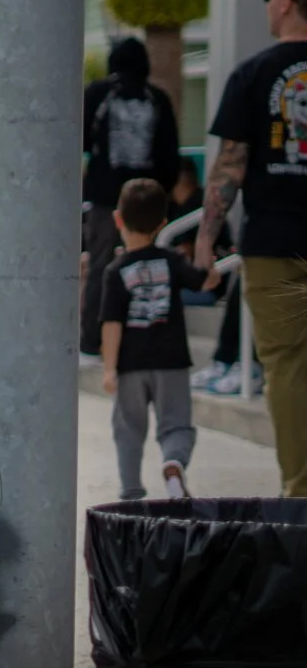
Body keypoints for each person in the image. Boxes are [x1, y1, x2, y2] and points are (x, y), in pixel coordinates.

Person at [198, 0, 307, 491]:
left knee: (286, 368)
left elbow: (230, 169)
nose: (268, 4)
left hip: (274, 246)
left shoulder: (253, 74)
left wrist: (204, 242)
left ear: (287, 3)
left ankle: (301, 490)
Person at [100, 177, 201, 500]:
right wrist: (209, 266)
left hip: (131, 364)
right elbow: (202, 279)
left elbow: (112, 324)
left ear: (118, 218)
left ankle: (131, 491)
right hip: (171, 360)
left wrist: (109, 368)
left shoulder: (115, 271)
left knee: (128, 429)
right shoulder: (172, 261)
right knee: (176, 425)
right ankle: (173, 463)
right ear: (162, 224)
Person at [82, 38, 181, 357]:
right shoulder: (158, 100)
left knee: (100, 266)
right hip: (147, 200)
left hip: (105, 199)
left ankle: (93, 339)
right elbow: (170, 156)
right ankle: (145, 337)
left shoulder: (97, 94)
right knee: (147, 268)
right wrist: (159, 193)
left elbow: (80, 140)